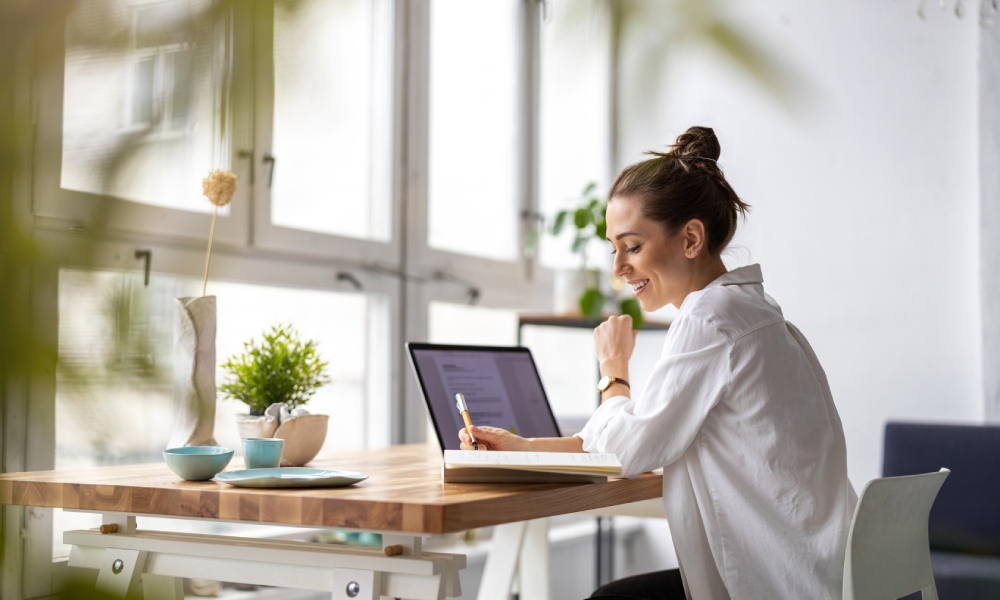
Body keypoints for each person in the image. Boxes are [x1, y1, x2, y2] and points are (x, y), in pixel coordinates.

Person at [458, 126, 857, 599]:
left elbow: (624, 452)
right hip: (816, 572)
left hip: (773, 583)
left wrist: (614, 369)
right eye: (613, 249)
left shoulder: (710, 320)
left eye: (632, 246)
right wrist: (522, 448)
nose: (618, 268)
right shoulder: (754, 312)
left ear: (690, 238)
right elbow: (636, 437)